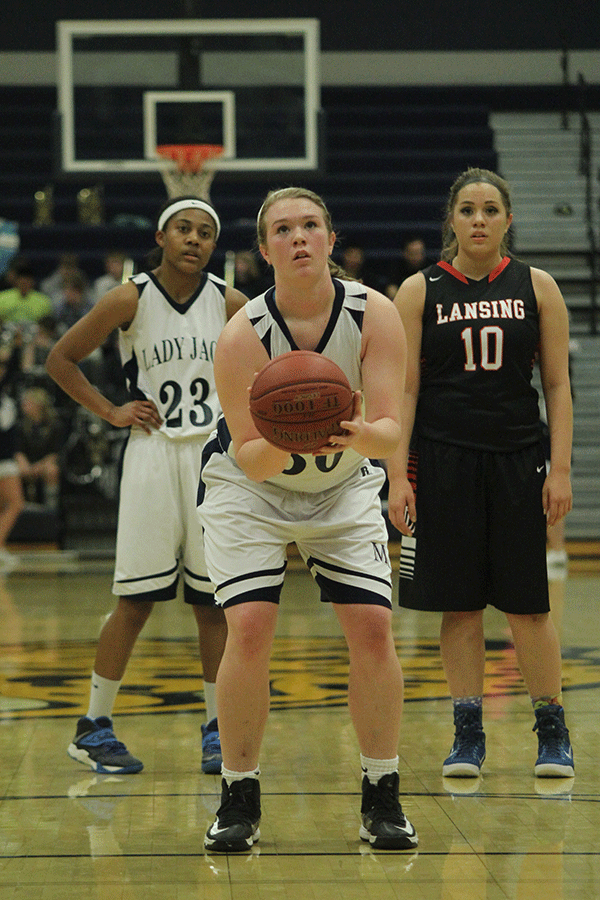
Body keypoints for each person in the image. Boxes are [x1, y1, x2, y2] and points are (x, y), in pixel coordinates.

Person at [198, 186, 418, 853]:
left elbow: (387, 433)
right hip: (250, 490)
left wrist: (350, 431)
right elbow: (256, 461)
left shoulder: (373, 312)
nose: (299, 237)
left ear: (329, 238)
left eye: (312, 225)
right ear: (264, 251)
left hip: (344, 482)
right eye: (284, 229)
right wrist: (303, 433)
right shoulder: (241, 336)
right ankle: (239, 794)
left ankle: (382, 793)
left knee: (374, 628)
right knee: (252, 627)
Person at [46, 194, 248, 776]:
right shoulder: (127, 297)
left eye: (205, 232)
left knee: (214, 604)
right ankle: (92, 727)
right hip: (153, 455)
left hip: (214, 461)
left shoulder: (232, 302)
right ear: (160, 237)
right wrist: (110, 411)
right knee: (135, 600)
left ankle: (218, 727)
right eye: (183, 229)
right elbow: (62, 359)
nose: (194, 239)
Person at [387, 168, 574, 780]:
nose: (478, 220)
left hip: (519, 459)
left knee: (528, 609)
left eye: (490, 210)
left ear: (507, 219)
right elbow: (404, 391)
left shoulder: (537, 286)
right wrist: (397, 473)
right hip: (441, 461)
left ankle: (552, 729)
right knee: (459, 607)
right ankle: (468, 732)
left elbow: (556, 385)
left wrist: (561, 470)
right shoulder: (418, 291)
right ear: (451, 221)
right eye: (467, 210)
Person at [15, 386, 64, 510]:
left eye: (28, 402)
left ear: (39, 404)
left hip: (45, 462)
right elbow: (17, 449)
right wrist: (24, 465)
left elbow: (56, 452)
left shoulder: (55, 425)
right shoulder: (20, 425)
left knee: (52, 471)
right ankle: (17, 510)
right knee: (11, 472)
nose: (24, 405)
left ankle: (51, 510)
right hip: (25, 462)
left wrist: (40, 466)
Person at [0, 258, 53, 325]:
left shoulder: (44, 301)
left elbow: (47, 324)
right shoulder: (2, 298)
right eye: (22, 282)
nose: (24, 284)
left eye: (27, 282)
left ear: (32, 282)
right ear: (16, 281)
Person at [384, 233, 434, 300]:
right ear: (405, 253)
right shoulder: (397, 268)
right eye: (412, 253)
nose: (416, 257)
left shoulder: (430, 268)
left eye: (418, 253)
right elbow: (391, 290)